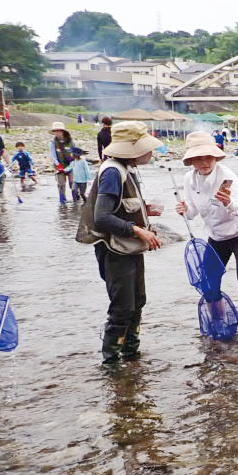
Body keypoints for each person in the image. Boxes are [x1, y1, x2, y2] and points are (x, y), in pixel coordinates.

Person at [75, 121, 163, 364]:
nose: (150, 153)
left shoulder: (125, 169)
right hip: (115, 251)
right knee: (122, 307)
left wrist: (144, 211)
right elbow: (101, 217)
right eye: (146, 148)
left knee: (137, 301)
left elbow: (118, 208)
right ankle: (112, 364)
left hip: (128, 248)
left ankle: (131, 356)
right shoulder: (113, 172)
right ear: (132, 149)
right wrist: (138, 229)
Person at [176, 131, 238, 322]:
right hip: (217, 235)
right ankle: (218, 324)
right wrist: (184, 209)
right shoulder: (189, 179)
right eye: (199, 158)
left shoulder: (227, 176)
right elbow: (193, 212)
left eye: (209, 157)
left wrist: (229, 203)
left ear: (215, 156)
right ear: (191, 160)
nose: (205, 162)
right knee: (209, 285)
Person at [49, 122, 75, 204]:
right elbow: (53, 156)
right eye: (55, 131)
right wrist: (58, 165)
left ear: (63, 131)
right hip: (59, 167)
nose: (56, 133)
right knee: (61, 185)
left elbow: (75, 154)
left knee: (73, 184)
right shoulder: (52, 143)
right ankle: (62, 202)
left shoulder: (71, 141)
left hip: (71, 166)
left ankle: (76, 201)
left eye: (58, 131)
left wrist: (71, 166)